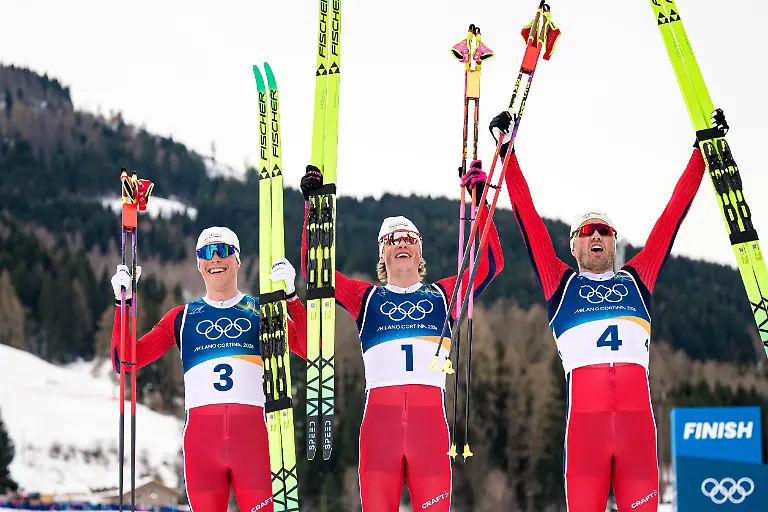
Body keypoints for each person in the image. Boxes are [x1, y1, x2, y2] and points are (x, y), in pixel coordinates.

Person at [489, 108, 729, 510]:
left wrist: (702, 152)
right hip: (586, 437)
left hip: (638, 434)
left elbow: (672, 217)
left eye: (604, 231)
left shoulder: (638, 279)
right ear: (574, 246)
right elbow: (528, 217)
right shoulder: (559, 284)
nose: (596, 235)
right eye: (587, 231)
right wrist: (506, 150)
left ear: (614, 244)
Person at [299, 162, 504, 512]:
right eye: (393, 239)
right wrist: (312, 210)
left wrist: (480, 198)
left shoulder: (444, 296)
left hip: (430, 433)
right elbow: (314, 269)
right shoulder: (367, 299)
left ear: (421, 252)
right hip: (380, 433)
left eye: (410, 238)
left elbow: (489, 264)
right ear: (383, 254)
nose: (402, 243)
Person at [109, 226, 307, 512]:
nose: (215, 258)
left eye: (224, 250)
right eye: (206, 253)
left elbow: (310, 349)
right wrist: (122, 303)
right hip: (202, 449)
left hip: (252, 445)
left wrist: (291, 298)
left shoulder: (263, 312)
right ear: (199, 264)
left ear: (237, 260)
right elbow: (124, 361)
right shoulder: (182, 318)